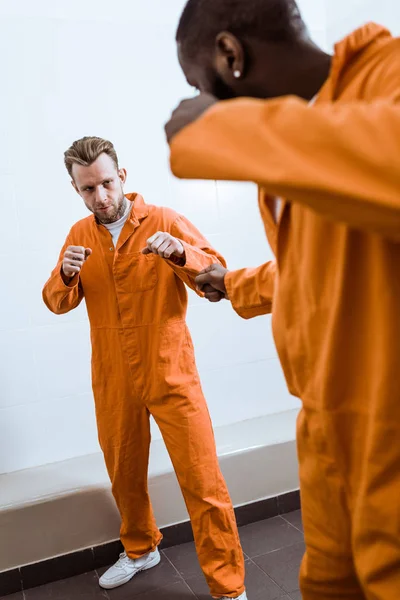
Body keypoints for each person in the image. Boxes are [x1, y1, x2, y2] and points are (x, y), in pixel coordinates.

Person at [165, 1, 400, 598]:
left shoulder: (388, 77)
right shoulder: (304, 144)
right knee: (327, 583)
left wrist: (213, 128)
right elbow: (328, 268)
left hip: (389, 432)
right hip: (326, 431)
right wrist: (234, 281)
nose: (200, 103)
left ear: (230, 56)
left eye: (201, 87)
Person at [42, 136, 247, 600]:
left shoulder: (165, 220)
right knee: (125, 473)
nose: (101, 197)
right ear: (76, 190)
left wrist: (180, 253)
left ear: (123, 177)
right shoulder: (78, 236)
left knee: (203, 480)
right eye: (88, 189)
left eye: (107, 184)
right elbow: (56, 303)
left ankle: (229, 587)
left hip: (170, 371)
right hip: (114, 378)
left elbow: (217, 277)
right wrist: (66, 275)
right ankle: (139, 549)